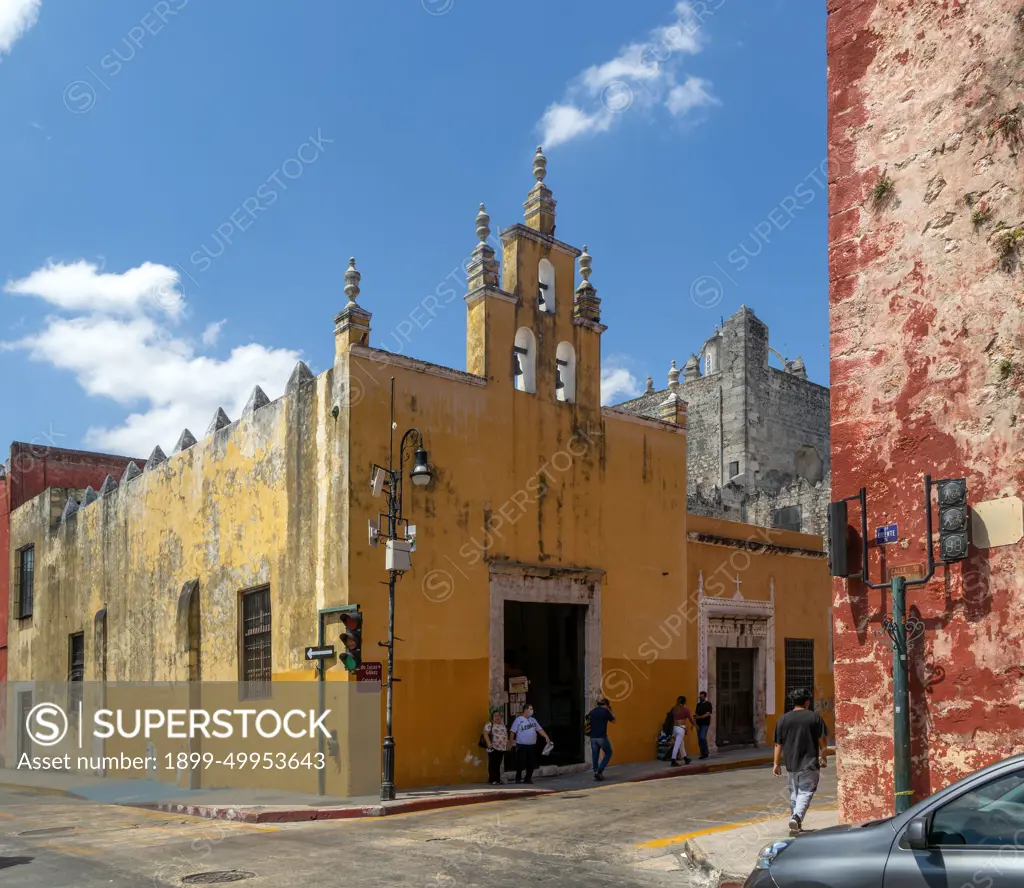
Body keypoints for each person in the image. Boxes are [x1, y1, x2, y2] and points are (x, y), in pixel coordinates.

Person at [773, 687, 829, 836]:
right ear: (806, 702)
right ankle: (796, 818)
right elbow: (822, 741)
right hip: (809, 764)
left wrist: (776, 763)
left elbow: (778, 744)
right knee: (806, 792)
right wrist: (824, 756)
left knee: (794, 794)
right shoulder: (815, 717)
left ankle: (796, 823)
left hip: (791, 765)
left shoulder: (783, 719)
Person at [510, 703, 550, 784]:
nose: (532, 711)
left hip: (532, 745)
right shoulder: (518, 720)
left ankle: (528, 778)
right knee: (520, 762)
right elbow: (512, 731)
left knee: (531, 762)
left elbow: (539, 729)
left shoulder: (533, 720)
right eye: (530, 709)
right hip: (522, 745)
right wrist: (511, 742)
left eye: (532, 709)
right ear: (525, 710)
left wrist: (546, 737)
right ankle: (518, 778)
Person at [586, 697, 615, 780]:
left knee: (595, 755)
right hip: (602, 737)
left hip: (593, 737)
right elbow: (614, 721)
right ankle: (599, 771)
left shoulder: (592, 712)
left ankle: (596, 772)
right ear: (606, 705)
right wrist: (611, 711)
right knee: (609, 753)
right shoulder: (605, 711)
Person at [483, 708, 508, 785]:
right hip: (492, 747)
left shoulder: (502, 724)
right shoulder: (490, 724)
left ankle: (498, 779)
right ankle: (492, 779)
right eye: (495, 716)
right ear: (492, 717)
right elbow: (485, 734)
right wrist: (489, 743)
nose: (497, 717)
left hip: (502, 748)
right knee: (492, 763)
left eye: (499, 716)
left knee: (498, 763)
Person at [670, 695, 695, 766]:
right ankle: (673, 760)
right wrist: (695, 725)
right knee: (677, 745)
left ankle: (685, 758)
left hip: (674, 728)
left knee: (681, 744)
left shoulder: (674, 709)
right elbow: (691, 719)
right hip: (681, 729)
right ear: (684, 702)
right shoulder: (685, 710)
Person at [694, 691, 713, 759]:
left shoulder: (708, 704)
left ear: (705, 697)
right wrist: (695, 723)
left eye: (702, 697)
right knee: (699, 739)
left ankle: (706, 752)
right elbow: (696, 714)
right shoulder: (698, 705)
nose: (701, 698)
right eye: (700, 697)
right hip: (698, 724)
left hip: (705, 724)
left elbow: (707, 714)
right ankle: (703, 753)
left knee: (702, 737)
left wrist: (699, 717)